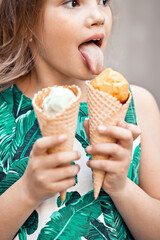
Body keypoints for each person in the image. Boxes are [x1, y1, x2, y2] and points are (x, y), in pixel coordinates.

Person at [0, 0, 160, 239]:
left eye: (103, 1)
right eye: (73, 3)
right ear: (25, 25)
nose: (98, 16)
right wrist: (27, 192)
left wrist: (122, 188)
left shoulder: (137, 105)